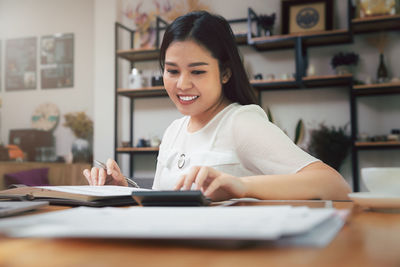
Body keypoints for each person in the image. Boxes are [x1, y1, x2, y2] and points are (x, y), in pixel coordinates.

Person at [83, 11, 351, 201]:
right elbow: (165, 202)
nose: (182, 84)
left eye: (197, 72)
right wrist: (121, 189)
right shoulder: (174, 130)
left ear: (225, 73)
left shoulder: (241, 123)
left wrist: (240, 186)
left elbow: (334, 185)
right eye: (172, 71)